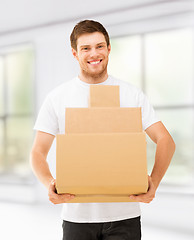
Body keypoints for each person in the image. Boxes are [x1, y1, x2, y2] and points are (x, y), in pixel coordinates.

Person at [30, 20, 175, 240]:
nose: (93, 53)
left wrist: (154, 182)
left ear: (108, 49)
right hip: (77, 217)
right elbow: (37, 151)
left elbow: (165, 140)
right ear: (75, 54)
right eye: (85, 48)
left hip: (124, 216)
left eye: (99, 46)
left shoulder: (131, 94)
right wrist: (49, 182)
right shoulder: (58, 97)